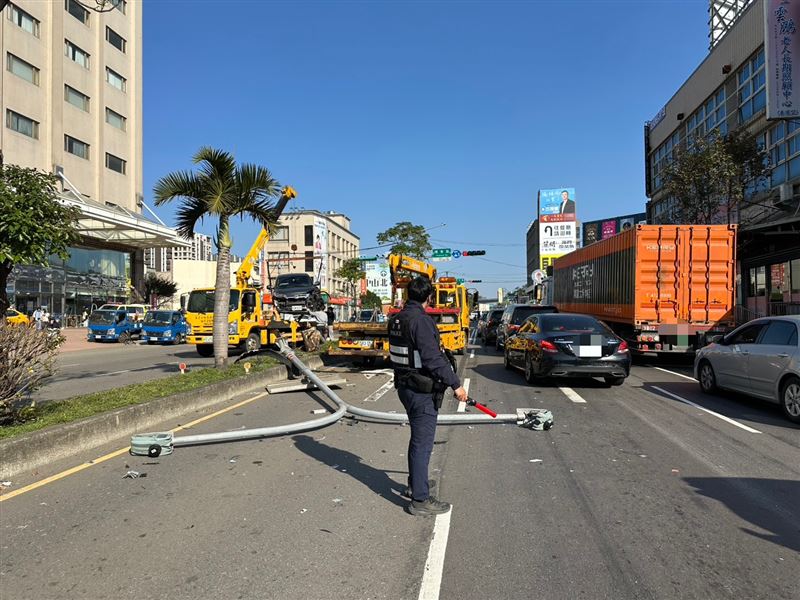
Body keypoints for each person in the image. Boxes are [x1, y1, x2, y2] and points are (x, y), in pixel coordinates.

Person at [388, 276, 468, 516]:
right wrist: (456, 385)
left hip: (404, 385)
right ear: (429, 297)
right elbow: (433, 359)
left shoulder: (396, 319)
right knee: (423, 444)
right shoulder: (421, 322)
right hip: (420, 389)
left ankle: (417, 484)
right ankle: (420, 500)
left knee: (417, 439)